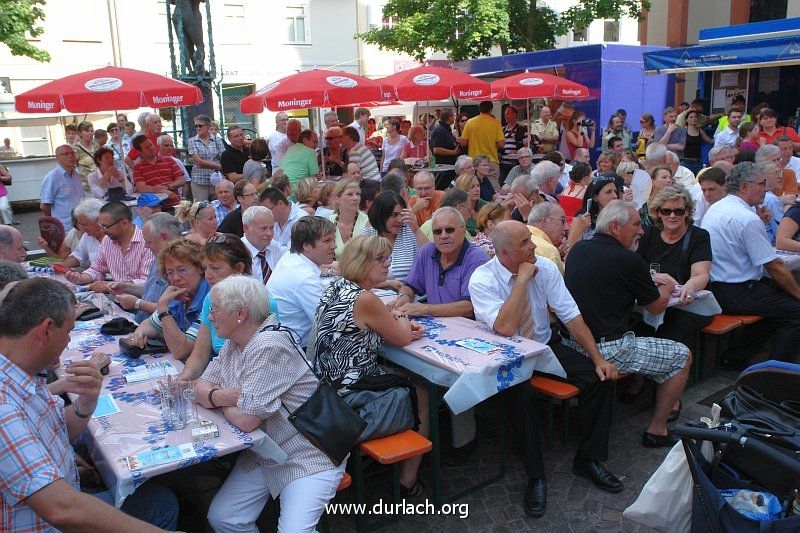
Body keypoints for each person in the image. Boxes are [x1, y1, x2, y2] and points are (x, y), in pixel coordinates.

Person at [0, 277, 179, 531]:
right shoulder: (4, 404)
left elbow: (55, 429)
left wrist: (86, 401)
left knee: (154, 495)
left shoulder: (20, 371)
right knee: (160, 505)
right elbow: (61, 509)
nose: (69, 342)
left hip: (62, 495)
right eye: (68, 331)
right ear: (47, 329)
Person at [469, 220, 622, 518]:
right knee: (520, 397)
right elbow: (504, 326)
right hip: (508, 353)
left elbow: (571, 315)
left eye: (531, 239)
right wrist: (522, 280)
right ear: (504, 253)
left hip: (543, 345)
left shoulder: (546, 268)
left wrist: (597, 358)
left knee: (599, 378)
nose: (534, 247)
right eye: (525, 242)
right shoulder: (483, 278)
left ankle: (589, 458)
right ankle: (535, 475)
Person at [196, 275, 345, 531]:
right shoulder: (235, 343)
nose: (209, 316)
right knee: (224, 517)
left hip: (307, 452)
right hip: (266, 451)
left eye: (215, 309)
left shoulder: (269, 344)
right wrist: (226, 396)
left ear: (240, 313)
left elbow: (247, 420)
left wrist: (216, 398)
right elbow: (200, 387)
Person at [565, 200, 692, 447]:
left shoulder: (578, 249)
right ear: (614, 227)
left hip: (572, 343)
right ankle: (657, 430)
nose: (642, 231)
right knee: (683, 355)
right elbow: (655, 306)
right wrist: (665, 288)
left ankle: (638, 387)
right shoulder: (627, 260)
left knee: (638, 331)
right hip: (606, 350)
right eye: (636, 224)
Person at [309, 234, 427, 496]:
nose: (387, 264)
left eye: (388, 258)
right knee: (420, 390)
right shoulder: (365, 299)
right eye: (380, 259)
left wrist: (390, 316)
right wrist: (401, 316)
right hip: (349, 391)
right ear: (362, 262)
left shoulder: (337, 285)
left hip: (326, 383)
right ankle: (408, 481)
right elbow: (403, 337)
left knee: (403, 375)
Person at [702, 162, 800, 364]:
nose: (765, 188)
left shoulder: (717, 208)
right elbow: (775, 266)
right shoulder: (746, 218)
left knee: (778, 302)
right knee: (796, 312)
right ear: (744, 186)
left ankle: (735, 358)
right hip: (737, 291)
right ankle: (775, 371)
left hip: (718, 288)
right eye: (761, 183)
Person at [637, 184, 714, 355]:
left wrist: (691, 286)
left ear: (687, 212)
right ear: (658, 212)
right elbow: (637, 265)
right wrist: (653, 275)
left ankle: (672, 375)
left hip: (688, 304)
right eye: (666, 211)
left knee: (669, 334)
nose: (672, 216)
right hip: (655, 300)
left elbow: (701, 274)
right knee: (637, 330)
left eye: (678, 211)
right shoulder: (650, 233)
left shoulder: (699, 236)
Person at [179, 234, 252, 380]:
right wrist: (183, 380)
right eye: (205, 268)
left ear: (239, 268)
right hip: (220, 380)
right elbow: (199, 355)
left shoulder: (262, 303)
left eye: (215, 268)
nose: (207, 275)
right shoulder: (211, 298)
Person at [126, 238, 210, 360]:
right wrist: (139, 333)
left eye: (182, 270)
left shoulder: (210, 298)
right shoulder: (179, 293)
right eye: (169, 272)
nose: (176, 278)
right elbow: (149, 324)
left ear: (201, 268)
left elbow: (181, 351)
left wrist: (163, 308)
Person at [267, 217, 336, 347]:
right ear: (306, 246)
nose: (334, 246)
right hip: (297, 352)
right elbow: (330, 325)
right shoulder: (305, 278)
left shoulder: (290, 257)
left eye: (334, 240)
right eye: (327, 241)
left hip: (282, 342)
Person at [64, 202, 154, 293]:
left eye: (105, 226)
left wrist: (111, 285)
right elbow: (97, 269)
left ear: (124, 223)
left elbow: (147, 282)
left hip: (140, 302)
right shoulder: (108, 241)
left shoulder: (147, 242)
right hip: (116, 298)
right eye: (101, 226)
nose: (102, 230)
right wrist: (80, 278)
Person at [111, 212, 183, 324]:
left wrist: (137, 303)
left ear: (164, 238)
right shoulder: (158, 257)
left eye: (149, 242)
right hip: (142, 325)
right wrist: (125, 287)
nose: (146, 246)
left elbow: (172, 311)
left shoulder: (181, 266)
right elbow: (151, 291)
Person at [358, 191, 428, 287]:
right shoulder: (366, 236)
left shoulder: (410, 232)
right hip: (374, 296)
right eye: (394, 215)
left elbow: (432, 257)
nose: (399, 220)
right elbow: (354, 275)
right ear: (381, 215)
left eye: (402, 214)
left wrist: (416, 230)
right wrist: (387, 283)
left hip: (410, 297)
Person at [567, 173, 624, 246]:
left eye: (615, 192)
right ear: (595, 197)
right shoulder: (582, 218)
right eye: (608, 192)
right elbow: (569, 247)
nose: (615, 196)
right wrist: (580, 229)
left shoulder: (621, 218)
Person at [47, 198, 104, 269]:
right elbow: (77, 256)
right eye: (79, 224)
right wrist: (63, 266)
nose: (81, 228)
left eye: (84, 224)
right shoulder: (87, 236)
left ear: (98, 220)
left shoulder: (113, 235)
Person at [40, 145, 85, 231]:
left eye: (72, 153)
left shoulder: (76, 175)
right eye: (66, 154)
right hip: (64, 227)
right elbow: (44, 205)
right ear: (58, 158)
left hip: (79, 225)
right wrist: (52, 222)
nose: (70, 156)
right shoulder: (52, 177)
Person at [131, 136, 183, 208]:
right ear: (139, 151)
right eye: (147, 147)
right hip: (154, 209)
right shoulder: (137, 167)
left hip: (175, 205)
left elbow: (181, 180)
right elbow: (141, 188)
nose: (151, 148)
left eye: (151, 145)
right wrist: (161, 191)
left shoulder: (169, 160)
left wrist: (166, 187)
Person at [458, 101, 505, 181]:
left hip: (474, 161)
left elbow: (463, 143)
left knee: (473, 185)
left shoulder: (470, 122)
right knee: (493, 189)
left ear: (479, 109)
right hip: (491, 161)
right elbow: (501, 144)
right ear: (490, 110)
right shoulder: (496, 123)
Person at [242, 205, 284, 285]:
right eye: (263, 229)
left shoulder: (275, 247)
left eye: (271, 228)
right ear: (246, 228)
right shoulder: (237, 253)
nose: (269, 233)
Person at [259, 186, 309, 251]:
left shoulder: (302, 219)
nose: (266, 214)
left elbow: (292, 251)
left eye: (268, 210)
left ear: (280, 204)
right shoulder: (273, 219)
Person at [188, 114, 225, 201]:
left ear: (208, 126)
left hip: (216, 181)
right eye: (196, 126)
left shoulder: (217, 140)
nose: (198, 128)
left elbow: (223, 157)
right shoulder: (192, 141)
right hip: (199, 181)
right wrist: (219, 166)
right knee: (200, 208)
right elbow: (198, 161)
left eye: (200, 126)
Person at [328, 180, 368, 259]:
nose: (355, 198)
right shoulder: (329, 222)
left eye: (358, 194)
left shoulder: (368, 222)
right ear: (337, 198)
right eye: (350, 194)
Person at [527, 202, 568, 274]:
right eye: (562, 220)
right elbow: (559, 283)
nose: (566, 227)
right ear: (545, 221)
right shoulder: (549, 251)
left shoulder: (515, 235)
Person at [429, 108, 461, 190]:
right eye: (453, 116)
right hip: (442, 170)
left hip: (449, 168)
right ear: (449, 117)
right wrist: (453, 152)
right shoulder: (439, 130)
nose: (454, 118)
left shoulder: (446, 129)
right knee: (441, 190)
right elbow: (436, 149)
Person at [499, 106, 526, 186]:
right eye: (505, 114)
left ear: (514, 115)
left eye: (507, 114)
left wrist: (517, 152)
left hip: (516, 164)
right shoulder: (503, 130)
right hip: (503, 163)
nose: (505, 116)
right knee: (503, 185)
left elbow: (526, 148)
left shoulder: (522, 129)